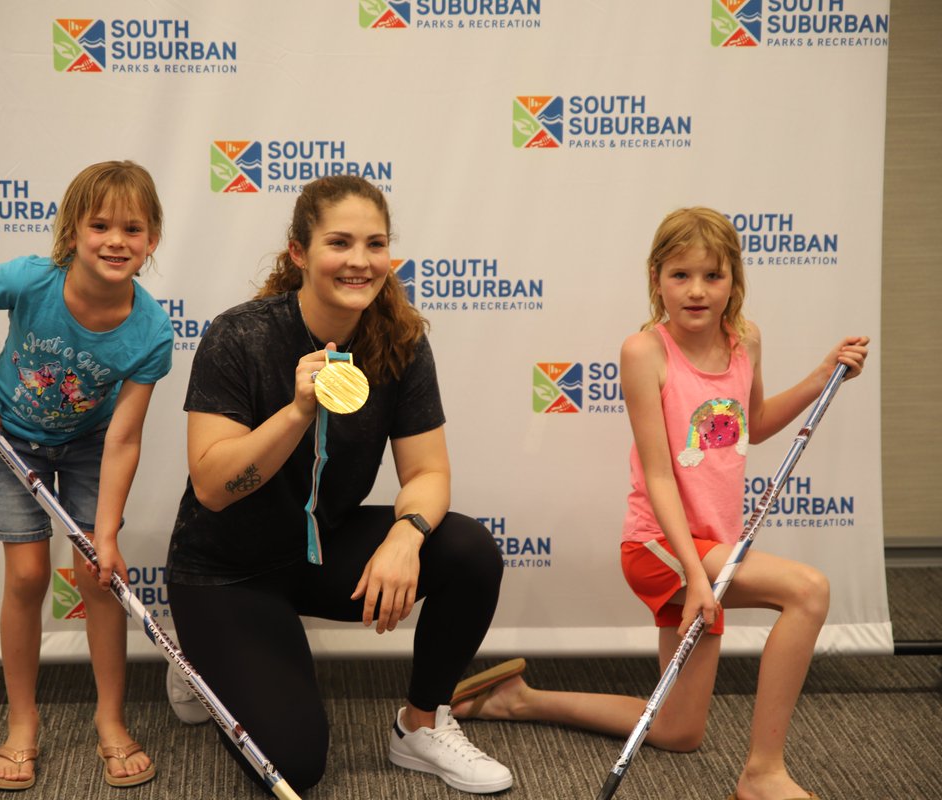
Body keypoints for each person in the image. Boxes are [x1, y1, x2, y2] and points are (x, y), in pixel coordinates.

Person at [445, 207, 869, 800]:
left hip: (710, 550)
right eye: (680, 275)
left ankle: (518, 700)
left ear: (734, 281)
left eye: (713, 276)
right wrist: (695, 574)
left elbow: (755, 423)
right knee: (809, 589)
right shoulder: (646, 351)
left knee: (678, 730)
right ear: (656, 279)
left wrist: (823, 374)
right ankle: (763, 773)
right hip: (660, 548)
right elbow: (659, 473)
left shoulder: (745, 339)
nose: (697, 291)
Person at [164, 175, 511, 795]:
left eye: (375, 244)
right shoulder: (240, 335)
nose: (359, 261)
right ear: (299, 252)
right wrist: (297, 410)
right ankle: (204, 659)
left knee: (466, 551)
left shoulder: (399, 339)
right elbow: (214, 487)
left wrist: (407, 536)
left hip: (319, 549)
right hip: (226, 569)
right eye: (340, 242)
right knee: (295, 766)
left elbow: (428, 472)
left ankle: (420, 726)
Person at [0, 160, 173, 791]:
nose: (115, 240)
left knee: (96, 578)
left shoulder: (152, 330)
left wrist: (105, 537)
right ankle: (23, 723)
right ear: (72, 232)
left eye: (133, 228)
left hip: (88, 446)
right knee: (26, 576)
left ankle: (110, 720)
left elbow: (125, 436)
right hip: (14, 435)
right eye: (99, 224)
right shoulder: (33, 280)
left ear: (152, 240)